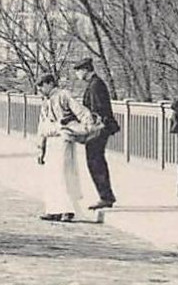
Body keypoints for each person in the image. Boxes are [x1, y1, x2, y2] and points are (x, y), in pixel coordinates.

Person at [35, 73, 92, 221]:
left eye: (42, 85)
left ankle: (68, 210)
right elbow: (42, 125)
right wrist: (40, 148)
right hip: (51, 140)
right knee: (51, 176)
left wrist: (84, 128)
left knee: (64, 174)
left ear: (50, 83)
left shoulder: (64, 95)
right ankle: (54, 209)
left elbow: (82, 112)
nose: (40, 89)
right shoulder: (45, 101)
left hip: (63, 139)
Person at [72, 57, 119, 210]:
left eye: (78, 71)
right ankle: (105, 195)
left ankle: (106, 196)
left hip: (98, 130)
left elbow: (98, 109)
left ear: (85, 70)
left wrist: (89, 125)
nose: (77, 75)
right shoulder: (95, 84)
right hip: (100, 128)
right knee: (96, 161)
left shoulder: (95, 85)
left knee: (95, 162)